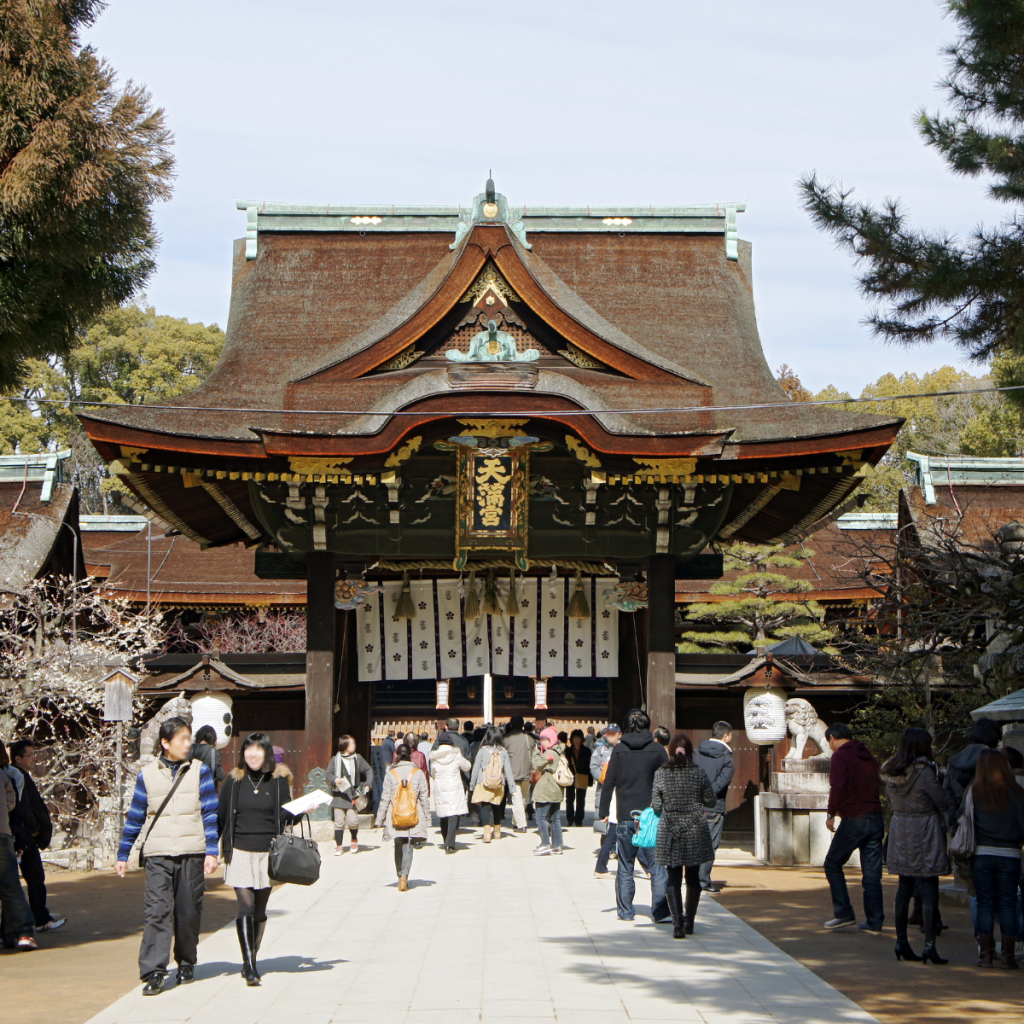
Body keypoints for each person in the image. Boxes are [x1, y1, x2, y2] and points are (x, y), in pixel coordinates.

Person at [116, 717, 219, 996]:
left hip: (191, 852)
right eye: (183, 739)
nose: (188, 744)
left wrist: (212, 850)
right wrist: (123, 853)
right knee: (157, 912)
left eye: (189, 738)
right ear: (165, 743)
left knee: (188, 911)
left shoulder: (201, 771)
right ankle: (154, 972)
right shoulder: (147, 774)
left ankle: (186, 961)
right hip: (158, 854)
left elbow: (210, 813)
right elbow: (136, 816)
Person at [217, 732, 296, 986]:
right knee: (246, 907)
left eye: (258, 750)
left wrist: (302, 810)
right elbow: (220, 816)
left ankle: (251, 955)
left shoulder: (277, 781)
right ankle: (250, 964)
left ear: (267, 753)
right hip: (239, 851)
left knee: (259, 912)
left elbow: (286, 816)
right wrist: (211, 850)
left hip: (267, 853)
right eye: (248, 750)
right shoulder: (234, 780)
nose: (252, 754)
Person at [879, 727, 950, 964]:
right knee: (929, 888)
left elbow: (891, 802)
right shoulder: (925, 772)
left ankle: (901, 942)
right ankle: (930, 945)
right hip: (925, 828)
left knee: (904, 888)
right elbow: (941, 802)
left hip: (901, 829)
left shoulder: (891, 771)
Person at [599, 709, 669, 922]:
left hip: (626, 814)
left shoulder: (619, 750)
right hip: (653, 815)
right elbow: (667, 782)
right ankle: (659, 911)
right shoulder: (658, 750)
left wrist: (603, 812)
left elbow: (608, 782)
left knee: (625, 864)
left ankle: (626, 911)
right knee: (658, 866)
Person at [652, 733, 716, 939]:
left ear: (670, 751)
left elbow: (658, 806)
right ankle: (690, 921)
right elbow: (711, 800)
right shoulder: (698, 772)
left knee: (673, 876)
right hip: (695, 827)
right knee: (693, 876)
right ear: (690, 752)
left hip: (670, 828)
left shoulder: (661, 774)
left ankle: (677, 923)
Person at [821, 723, 884, 933]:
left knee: (832, 863)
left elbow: (837, 786)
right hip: (876, 817)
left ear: (832, 738)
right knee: (872, 874)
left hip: (855, 818)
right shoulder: (868, 756)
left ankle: (844, 912)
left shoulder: (840, 756)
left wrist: (831, 813)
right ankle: (875, 921)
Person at [971, 748, 1024, 969]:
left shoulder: (973, 791)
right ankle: (1008, 957)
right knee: (1008, 904)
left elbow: (963, 821)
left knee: (984, 903)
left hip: (981, 853)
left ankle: (985, 955)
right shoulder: (1017, 792)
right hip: (1010, 854)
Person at [9, 740, 65, 932]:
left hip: (24, 836)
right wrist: (30, 832)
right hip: (23, 837)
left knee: (27, 881)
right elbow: (24, 808)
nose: (34, 758)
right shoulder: (17, 777)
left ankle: (32, 920)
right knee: (31, 880)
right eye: (29, 755)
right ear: (17, 758)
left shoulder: (21, 776)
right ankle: (39, 919)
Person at [376, 743, 430, 890]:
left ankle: (400, 874)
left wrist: (379, 819)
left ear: (397, 756)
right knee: (408, 844)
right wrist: (427, 818)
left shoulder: (390, 774)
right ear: (411, 756)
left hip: (395, 814)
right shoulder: (418, 773)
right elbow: (424, 797)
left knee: (398, 843)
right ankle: (405, 874)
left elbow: (385, 798)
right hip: (413, 813)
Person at [0, 739, 36, 951]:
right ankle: (24, 932)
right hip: (3, 835)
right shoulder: (6, 775)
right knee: (11, 886)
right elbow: (12, 803)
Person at [693, 722, 735, 894]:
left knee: (694, 842)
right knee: (709, 844)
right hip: (713, 806)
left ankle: (691, 878)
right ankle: (702, 881)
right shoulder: (727, 758)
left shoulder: (696, 752)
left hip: (694, 804)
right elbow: (721, 783)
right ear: (726, 736)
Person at [944, 717, 1001, 827]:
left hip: (961, 821)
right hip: (988, 821)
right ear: (995, 736)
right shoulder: (995, 759)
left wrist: (952, 820)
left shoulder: (955, 759)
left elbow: (947, 791)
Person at [326, 734, 373, 856]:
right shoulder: (335, 759)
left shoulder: (358, 758)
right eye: (352, 743)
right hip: (338, 795)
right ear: (345, 745)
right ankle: (339, 846)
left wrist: (368, 784)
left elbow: (369, 770)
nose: (354, 745)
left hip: (352, 795)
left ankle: (354, 839)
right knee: (339, 821)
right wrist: (334, 779)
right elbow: (328, 774)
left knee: (353, 821)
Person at [469, 724, 516, 842]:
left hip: (484, 782)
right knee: (497, 806)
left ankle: (487, 834)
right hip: (499, 782)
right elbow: (508, 770)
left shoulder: (482, 750)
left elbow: (475, 768)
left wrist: (472, 784)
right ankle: (497, 832)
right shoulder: (503, 751)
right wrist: (512, 787)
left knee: (486, 807)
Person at [430, 732, 470, 854]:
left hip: (440, 785)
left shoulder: (434, 757)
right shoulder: (456, 754)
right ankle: (450, 844)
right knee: (453, 814)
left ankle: (445, 840)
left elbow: (433, 773)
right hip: (454, 785)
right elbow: (467, 766)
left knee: (443, 813)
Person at [591, 724, 622, 877]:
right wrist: (604, 779)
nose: (609, 736)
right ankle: (605, 856)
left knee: (614, 828)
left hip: (619, 790)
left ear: (619, 734)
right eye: (607, 733)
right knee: (607, 827)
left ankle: (613, 852)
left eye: (612, 733)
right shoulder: (600, 750)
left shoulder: (623, 749)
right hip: (605, 789)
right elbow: (594, 766)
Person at [531, 727, 566, 855]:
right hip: (556, 789)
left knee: (540, 817)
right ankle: (557, 845)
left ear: (551, 740)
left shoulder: (550, 753)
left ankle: (545, 843)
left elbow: (537, 764)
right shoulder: (559, 751)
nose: (541, 742)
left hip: (546, 788)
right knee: (555, 818)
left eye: (545, 739)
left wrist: (535, 752)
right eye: (541, 739)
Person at [502, 715, 534, 833]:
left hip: (512, 773)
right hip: (527, 771)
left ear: (511, 725)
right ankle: (518, 822)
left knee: (517, 798)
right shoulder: (529, 738)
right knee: (524, 798)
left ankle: (520, 824)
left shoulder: (506, 738)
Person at [565, 730, 592, 827]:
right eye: (574, 738)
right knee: (569, 798)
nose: (576, 740)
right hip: (570, 777)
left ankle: (579, 819)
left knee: (581, 799)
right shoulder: (568, 751)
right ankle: (570, 818)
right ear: (571, 739)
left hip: (582, 776)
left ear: (582, 739)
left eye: (578, 738)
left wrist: (590, 780)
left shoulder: (587, 751)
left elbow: (589, 766)